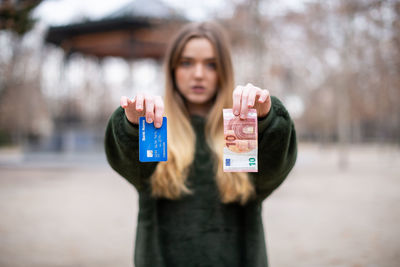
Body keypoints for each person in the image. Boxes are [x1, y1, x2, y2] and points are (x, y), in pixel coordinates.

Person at [105, 21, 297, 267]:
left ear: (224, 71)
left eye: (211, 64)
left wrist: (265, 122)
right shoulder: (157, 127)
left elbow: (268, 177)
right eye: (186, 63)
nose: (198, 74)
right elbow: (132, 167)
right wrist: (131, 127)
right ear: (173, 69)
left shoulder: (238, 127)